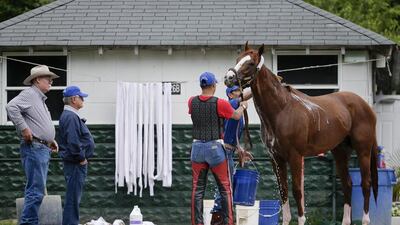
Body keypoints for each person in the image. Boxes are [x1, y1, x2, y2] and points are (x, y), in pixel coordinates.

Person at [188, 72, 248, 225]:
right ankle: (228, 223)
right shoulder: (220, 103)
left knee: (197, 189)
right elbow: (235, 116)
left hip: (196, 148)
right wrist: (242, 106)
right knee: (225, 189)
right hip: (214, 148)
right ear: (214, 86)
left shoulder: (191, 101)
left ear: (201, 85)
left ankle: (197, 223)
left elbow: (196, 112)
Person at [6, 65, 59, 225]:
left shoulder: (39, 98)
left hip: (42, 147)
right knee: (35, 192)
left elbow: (38, 123)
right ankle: (28, 223)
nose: (51, 81)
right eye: (47, 79)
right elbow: (11, 107)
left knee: (35, 190)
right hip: (34, 148)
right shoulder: (29, 94)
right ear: (37, 80)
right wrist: (24, 129)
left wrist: (50, 140)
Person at [210, 85, 253, 225]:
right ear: (230, 94)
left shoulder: (235, 109)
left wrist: (240, 151)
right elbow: (245, 96)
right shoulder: (231, 104)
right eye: (237, 91)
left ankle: (222, 218)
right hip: (223, 150)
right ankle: (218, 219)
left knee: (225, 185)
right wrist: (259, 82)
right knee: (224, 185)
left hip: (228, 150)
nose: (240, 93)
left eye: (240, 91)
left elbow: (232, 134)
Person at [58, 86, 95, 225]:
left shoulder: (70, 116)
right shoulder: (70, 116)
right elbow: (73, 141)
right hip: (75, 163)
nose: (83, 99)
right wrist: (81, 159)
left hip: (75, 163)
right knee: (73, 198)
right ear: (74, 99)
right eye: (81, 97)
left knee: (73, 197)